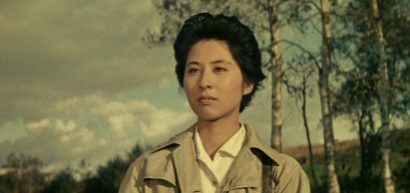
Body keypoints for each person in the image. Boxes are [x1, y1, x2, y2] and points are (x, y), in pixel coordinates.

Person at [118, 13, 310, 193]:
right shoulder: (147, 171)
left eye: (219, 69)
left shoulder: (281, 175)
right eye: (193, 70)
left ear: (248, 83)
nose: (204, 82)